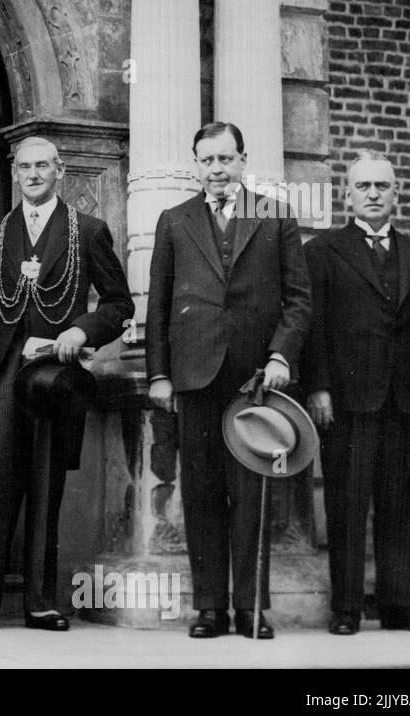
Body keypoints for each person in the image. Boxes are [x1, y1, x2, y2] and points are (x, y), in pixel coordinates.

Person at [0, 136, 134, 632]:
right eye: (24, 167)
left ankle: (40, 601)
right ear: (14, 173)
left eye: (43, 165)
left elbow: (120, 304)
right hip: (2, 373)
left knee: (45, 483)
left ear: (61, 170)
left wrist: (83, 330)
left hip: (54, 376)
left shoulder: (89, 230)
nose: (33, 174)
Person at [146, 122, 311, 640]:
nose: (217, 170)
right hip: (194, 376)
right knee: (200, 492)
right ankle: (210, 608)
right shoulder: (174, 220)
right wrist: (159, 374)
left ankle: (250, 609)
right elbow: (159, 305)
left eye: (226, 159)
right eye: (207, 161)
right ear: (195, 164)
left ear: (244, 160)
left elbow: (298, 299)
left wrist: (281, 355)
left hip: (253, 379)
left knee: (252, 494)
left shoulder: (274, 214)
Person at [302, 151, 410, 635]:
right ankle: (346, 609)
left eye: (381, 187)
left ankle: (401, 605)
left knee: (400, 507)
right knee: (346, 505)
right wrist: (319, 388)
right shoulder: (323, 251)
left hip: (406, 401)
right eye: (363, 186)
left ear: (396, 194)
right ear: (347, 195)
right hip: (347, 402)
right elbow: (315, 327)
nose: (372, 194)